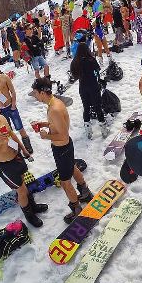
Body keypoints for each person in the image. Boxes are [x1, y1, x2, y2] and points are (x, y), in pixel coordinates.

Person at [0, 96, 45, 227]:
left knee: (24, 184)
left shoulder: (1, 118)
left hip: (16, 156)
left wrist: (23, 149)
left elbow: (11, 134)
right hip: (4, 165)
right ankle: (29, 216)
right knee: (21, 191)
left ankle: (33, 206)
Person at [30, 78, 93, 223]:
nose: (35, 96)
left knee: (65, 183)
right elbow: (60, 124)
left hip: (62, 148)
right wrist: (44, 123)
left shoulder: (54, 109)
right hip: (65, 147)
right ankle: (85, 192)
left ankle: (76, 209)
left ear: (42, 92)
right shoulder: (54, 102)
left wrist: (46, 136)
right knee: (71, 167)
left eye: (35, 93)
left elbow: (63, 134)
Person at [0, 60, 34, 154]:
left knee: (20, 128)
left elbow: (13, 92)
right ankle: (16, 150)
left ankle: (28, 147)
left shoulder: (5, 77)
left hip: (11, 107)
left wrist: (13, 105)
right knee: (7, 133)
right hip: (0, 112)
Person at [70, 43, 109, 139]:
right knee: (97, 107)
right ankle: (103, 130)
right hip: (93, 85)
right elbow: (98, 70)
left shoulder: (75, 61)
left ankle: (88, 131)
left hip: (82, 87)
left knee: (86, 108)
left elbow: (73, 75)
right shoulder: (91, 59)